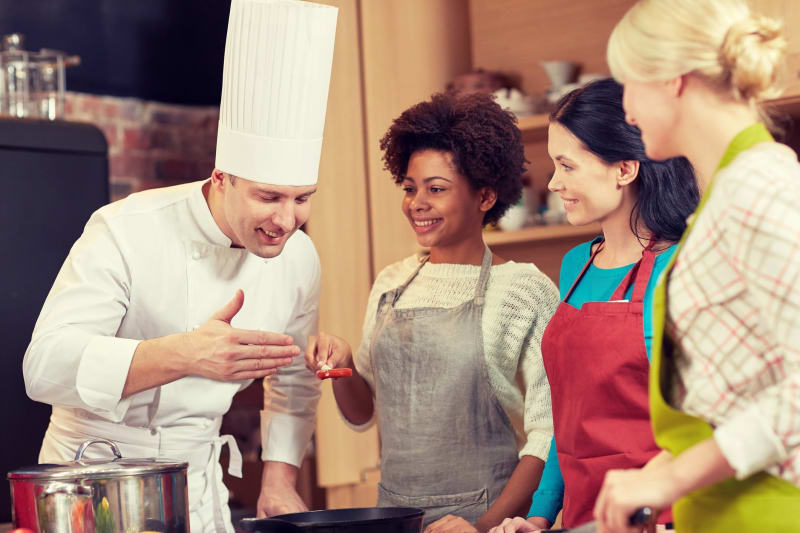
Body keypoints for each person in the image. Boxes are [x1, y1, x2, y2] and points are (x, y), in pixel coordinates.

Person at [22, 1, 338, 531]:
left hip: (195, 487)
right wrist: (184, 354)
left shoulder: (299, 258)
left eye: (302, 198)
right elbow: (45, 367)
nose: (287, 220)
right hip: (92, 482)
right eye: (269, 197)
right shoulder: (125, 229)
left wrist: (280, 478)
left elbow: (293, 380)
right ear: (221, 179)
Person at [305, 91, 559, 532]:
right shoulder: (391, 284)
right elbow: (364, 412)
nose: (416, 203)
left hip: (491, 521)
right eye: (409, 188)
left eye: (436, 189)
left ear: (484, 196)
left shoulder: (523, 290)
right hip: (394, 518)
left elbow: (546, 435)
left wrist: (482, 529)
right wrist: (343, 365)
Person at [593, 1, 800, 531]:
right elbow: (741, 400)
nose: (627, 109)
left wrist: (674, 478)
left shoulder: (758, 187)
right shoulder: (729, 193)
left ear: (670, 79)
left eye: (629, 85)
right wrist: (661, 469)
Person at [488, 78, 698, 533]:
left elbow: (702, 425)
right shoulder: (575, 266)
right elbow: (570, 420)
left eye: (567, 165)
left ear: (624, 170)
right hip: (584, 518)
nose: (554, 182)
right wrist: (540, 517)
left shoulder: (681, 268)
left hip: (663, 519)